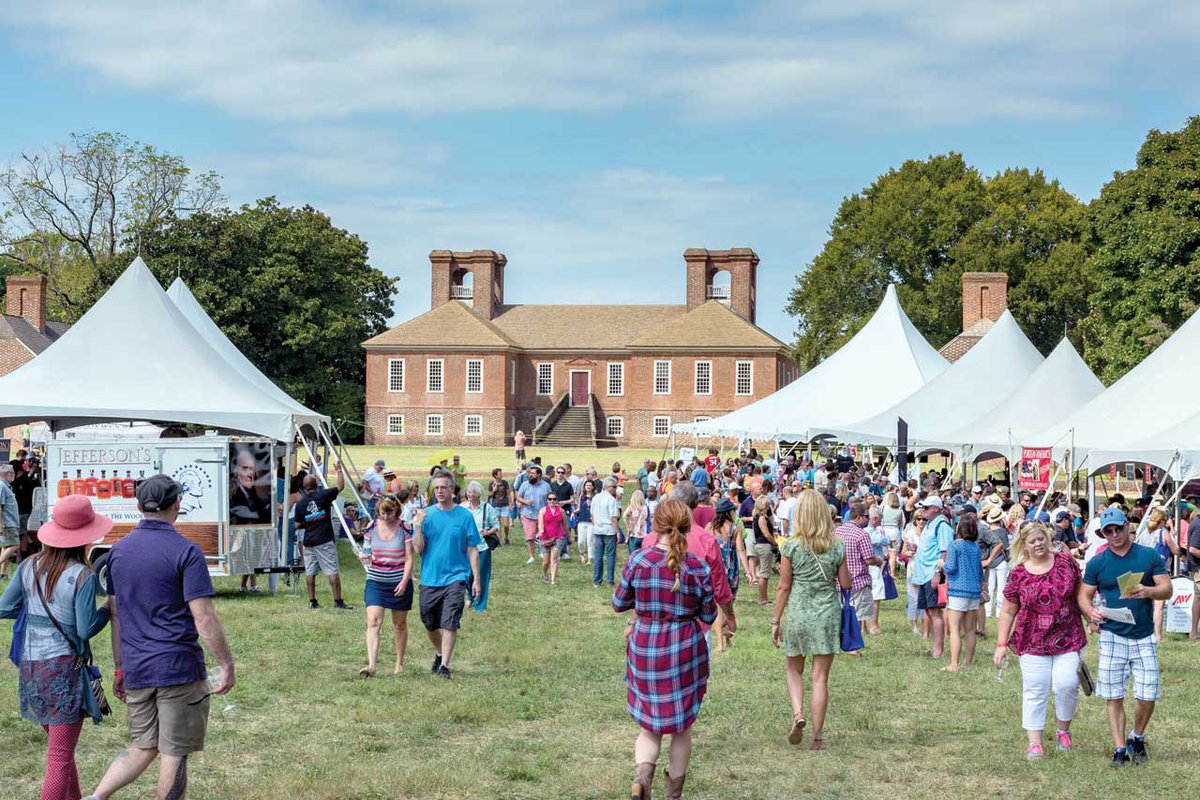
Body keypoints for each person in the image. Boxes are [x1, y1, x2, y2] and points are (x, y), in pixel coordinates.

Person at [84, 475, 235, 800]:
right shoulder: (187, 551)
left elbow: (116, 614)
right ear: (177, 504)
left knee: (142, 747)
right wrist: (226, 664)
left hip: (138, 668)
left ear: (139, 506)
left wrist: (121, 667)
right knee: (174, 752)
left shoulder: (118, 552)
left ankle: (95, 798)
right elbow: (204, 616)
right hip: (177, 669)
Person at [0, 495, 112, 800]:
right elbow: (85, 629)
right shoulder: (82, 576)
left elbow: (4, 607)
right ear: (85, 538)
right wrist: (108, 610)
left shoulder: (27, 566)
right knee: (59, 757)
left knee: (62, 752)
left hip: (31, 668)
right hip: (64, 671)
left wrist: (34, 608)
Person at [614, 499, 716, 800]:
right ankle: (673, 796)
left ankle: (642, 778)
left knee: (649, 725)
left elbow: (619, 603)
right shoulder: (697, 566)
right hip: (685, 647)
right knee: (681, 727)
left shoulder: (638, 559)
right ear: (686, 525)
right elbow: (709, 615)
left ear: (655, 525)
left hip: (646, 645)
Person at [1079, 506, 1173, 766]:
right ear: (1102, 533)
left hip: (1143, 634)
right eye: (1107, 531)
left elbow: (1167, 589)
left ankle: (1137, 736)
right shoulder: (1098, 562)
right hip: (1112, 633)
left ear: (1127, 527)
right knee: (1113, 694)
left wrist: (1147, 591)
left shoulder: (1148, 555)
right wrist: (1091, 614)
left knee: (1148, 693)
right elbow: (1084, 596)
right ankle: (1120, 749)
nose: (1114, 534)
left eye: (1118, 528)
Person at [994, 521, 1087, 760]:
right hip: (1032, 640)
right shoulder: (1018, 573)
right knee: (1035, 688)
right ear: (1023, 545)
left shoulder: (1066, 563)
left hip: (1067, 636)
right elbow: (1007, 611)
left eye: (1041, 539)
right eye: (1032, 541)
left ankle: (1063, 731)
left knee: (1067, 684)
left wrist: (1091, 616)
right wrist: (1001, 644)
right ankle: (1034, 743)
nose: (1038, 544)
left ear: (1048, 538)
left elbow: (1081, 595)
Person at [772, 489, 851, 750]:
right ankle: (817, 736)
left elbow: (784, 586)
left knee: (794, 669)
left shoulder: (791, 546)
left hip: (798, 612)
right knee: (820, 678)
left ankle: (798, 714)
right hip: (827, 612)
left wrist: (775, 620)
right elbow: (845, 583)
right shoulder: (837, 546)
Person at [412, 473, 481, 680]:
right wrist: (417, 526)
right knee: (429, 622)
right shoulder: (426, 515)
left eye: (444, 487)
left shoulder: (464, 516)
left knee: (450, 621)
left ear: (452, 490)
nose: (440, 491)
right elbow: (417, 549)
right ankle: (439, 652)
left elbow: (472, 549)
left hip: (456, 577)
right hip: (430, 577)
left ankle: (445, 666)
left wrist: (476, 579)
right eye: (437, 488)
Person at [358, 495, 414, 677]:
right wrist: (364, 555)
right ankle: (372, 665)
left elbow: (409, 558)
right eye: (383, 513)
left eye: (389, 513)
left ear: (396, 511)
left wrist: (404, 581)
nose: (386, 517)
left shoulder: (404, 527)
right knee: (373, 621)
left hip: (399, 580)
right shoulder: (372, 527)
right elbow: (367, 549)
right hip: (375, 580)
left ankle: (399, 663)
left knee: (399, 624)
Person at [295, 467, 352, 610]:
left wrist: (309, 522)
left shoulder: (301, 503)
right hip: (324, 540)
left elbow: (296, 525)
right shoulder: (324, 495)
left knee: (310, 572)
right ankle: (338, 601)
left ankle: (312, 601)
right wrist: (339, 471)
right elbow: (340, 486)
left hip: (309, 541)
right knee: (332, 570)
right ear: (316, 484)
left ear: (304, 487)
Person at [911, 497, 954, 658]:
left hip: (932, 574)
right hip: (924, 574)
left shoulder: (942, 526)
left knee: (935, 612)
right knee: (929, 611)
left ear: (936, 508)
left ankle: (938, 650)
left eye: (927, 507)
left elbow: (945, 551)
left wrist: (938, 573)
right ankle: (935, 648)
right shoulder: (930, 524)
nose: (923, 510)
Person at [834, 502, 882, 645]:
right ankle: (853, 646)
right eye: (867, 516)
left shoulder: (837, 531)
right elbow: (868, 559)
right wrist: (878, 561)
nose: (868, 519)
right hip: (858, 580)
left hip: (838, 580)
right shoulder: (862, 534)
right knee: (856, 616)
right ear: (860, 517)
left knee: (840, 614)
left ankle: (837, 644)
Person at [941, 514, 984, 672]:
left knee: (954, 629)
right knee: (970, 629)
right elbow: (980, 571)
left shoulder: (954, 546)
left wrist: (941, 564)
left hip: (958, 590)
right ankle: (968, 663)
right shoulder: (976, 547)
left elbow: (950, 567)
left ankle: (954, 663)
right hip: (973, 590)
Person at [463, 482, 497, 611]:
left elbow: (496, 525)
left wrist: (488, 532)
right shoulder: (463, 509)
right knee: (467, 574)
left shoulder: (487, 508)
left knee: (481, 575)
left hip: (482, 547)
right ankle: (470, 597)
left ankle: (480, 603)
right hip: (465, 547)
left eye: (472, 492)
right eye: (468, 492)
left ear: (478, 494)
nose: (469, 494)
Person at [979, 505, 1011, 634]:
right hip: (1001, 562)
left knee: (989, 588)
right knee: (1001, 588)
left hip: (988, 563)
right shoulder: (1002, 532)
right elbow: (1006, 548)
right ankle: (998, 612)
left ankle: (987, 611)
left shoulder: (985, 530)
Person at [516, 463, 551, 565]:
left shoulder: (546, 486)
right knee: (530, 537)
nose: (530, 475)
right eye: (530, 473)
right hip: (528, 515)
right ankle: (531, 556)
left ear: (539, 475)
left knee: (543, 536)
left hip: (542, 515)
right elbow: (518, 497)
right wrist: (525, 502)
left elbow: (550, 498)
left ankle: (542, 552)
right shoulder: (525, 485)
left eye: (533, 473)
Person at [591, 477, 621, 587]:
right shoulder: (611, 500)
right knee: (610, 556)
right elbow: (613, 518)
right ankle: (609, 580)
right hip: (608, 530)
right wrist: (617, 532)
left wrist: (596, 525)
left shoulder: (595, 498)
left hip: (598, 529)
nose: (615, 489)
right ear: (608, 487)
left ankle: (597, 580)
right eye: (614, 487)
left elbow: (592, 516)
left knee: (598, 555)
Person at [229, 447, 270, 525]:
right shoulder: (231, 495)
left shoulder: (256, 494)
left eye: (252, 469)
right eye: (245, 468)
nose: (250, 474)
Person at [864, 506, 889, 635]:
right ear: (874, 519)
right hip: (873, 566)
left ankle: (863, 627)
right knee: (876, 597)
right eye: (880, 520)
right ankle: (874, 626)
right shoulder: (870, 531)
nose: (880, 522)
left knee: (863, 596)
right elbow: (882, 541)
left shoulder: (864, 530)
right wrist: (885, 538)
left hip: (866, 566)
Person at [752, 495, 778, 606]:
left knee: (764, 572)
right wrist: (775, 542)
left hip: (759, 544)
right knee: (765, 573)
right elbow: (766, 534)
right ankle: (762, 598)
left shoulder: (756, 516)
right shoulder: (762, 518)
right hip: (764, 545)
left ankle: (764, 597)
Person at [537, 493, 567, 585]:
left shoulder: (561, 511)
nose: (552, 501)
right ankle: (545, 574)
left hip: (558, 536)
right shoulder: (543, 511)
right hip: (545, 537)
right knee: (546, 561)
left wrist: (569, 537)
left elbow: (565, 525)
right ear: (547, 500)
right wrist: (541, 531)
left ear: (557, 500)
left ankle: (553, 580)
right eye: (550, 499)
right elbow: (540, 524)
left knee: (554, 559)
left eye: (554, 499)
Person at [0, 463, 21, 581]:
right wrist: (1, 527)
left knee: (6, 547)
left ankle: (3, 574)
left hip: (10, 522)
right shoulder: (2, 486)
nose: (13, 475)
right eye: (12, 473)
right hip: (7, 523)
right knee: (14, 545)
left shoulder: (6, 486)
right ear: (6, 474)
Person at [488, 468, 513, 546]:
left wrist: (510, 504)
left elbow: (508, 494)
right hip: (495, 506)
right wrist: (494, 490)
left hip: (505, 506)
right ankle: (498, 541)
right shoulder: (491, 483)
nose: (502, 474)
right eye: (500, 473)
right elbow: (489, 495)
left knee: (506, 525)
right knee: (497, 524)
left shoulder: (505, 483)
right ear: (495, 475)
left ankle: (506, 537)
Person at [576, 480, 596, 567]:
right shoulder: (582, 496)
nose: (588, 487)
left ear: (593, 487)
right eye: (587, 485)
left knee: (590, 540)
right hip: (582, 520)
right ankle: (582, 554)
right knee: (581, 541)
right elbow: (579, 508)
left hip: (591, 522)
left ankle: (590, 558)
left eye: (590, 485)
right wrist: (574, 513)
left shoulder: (595, 497)